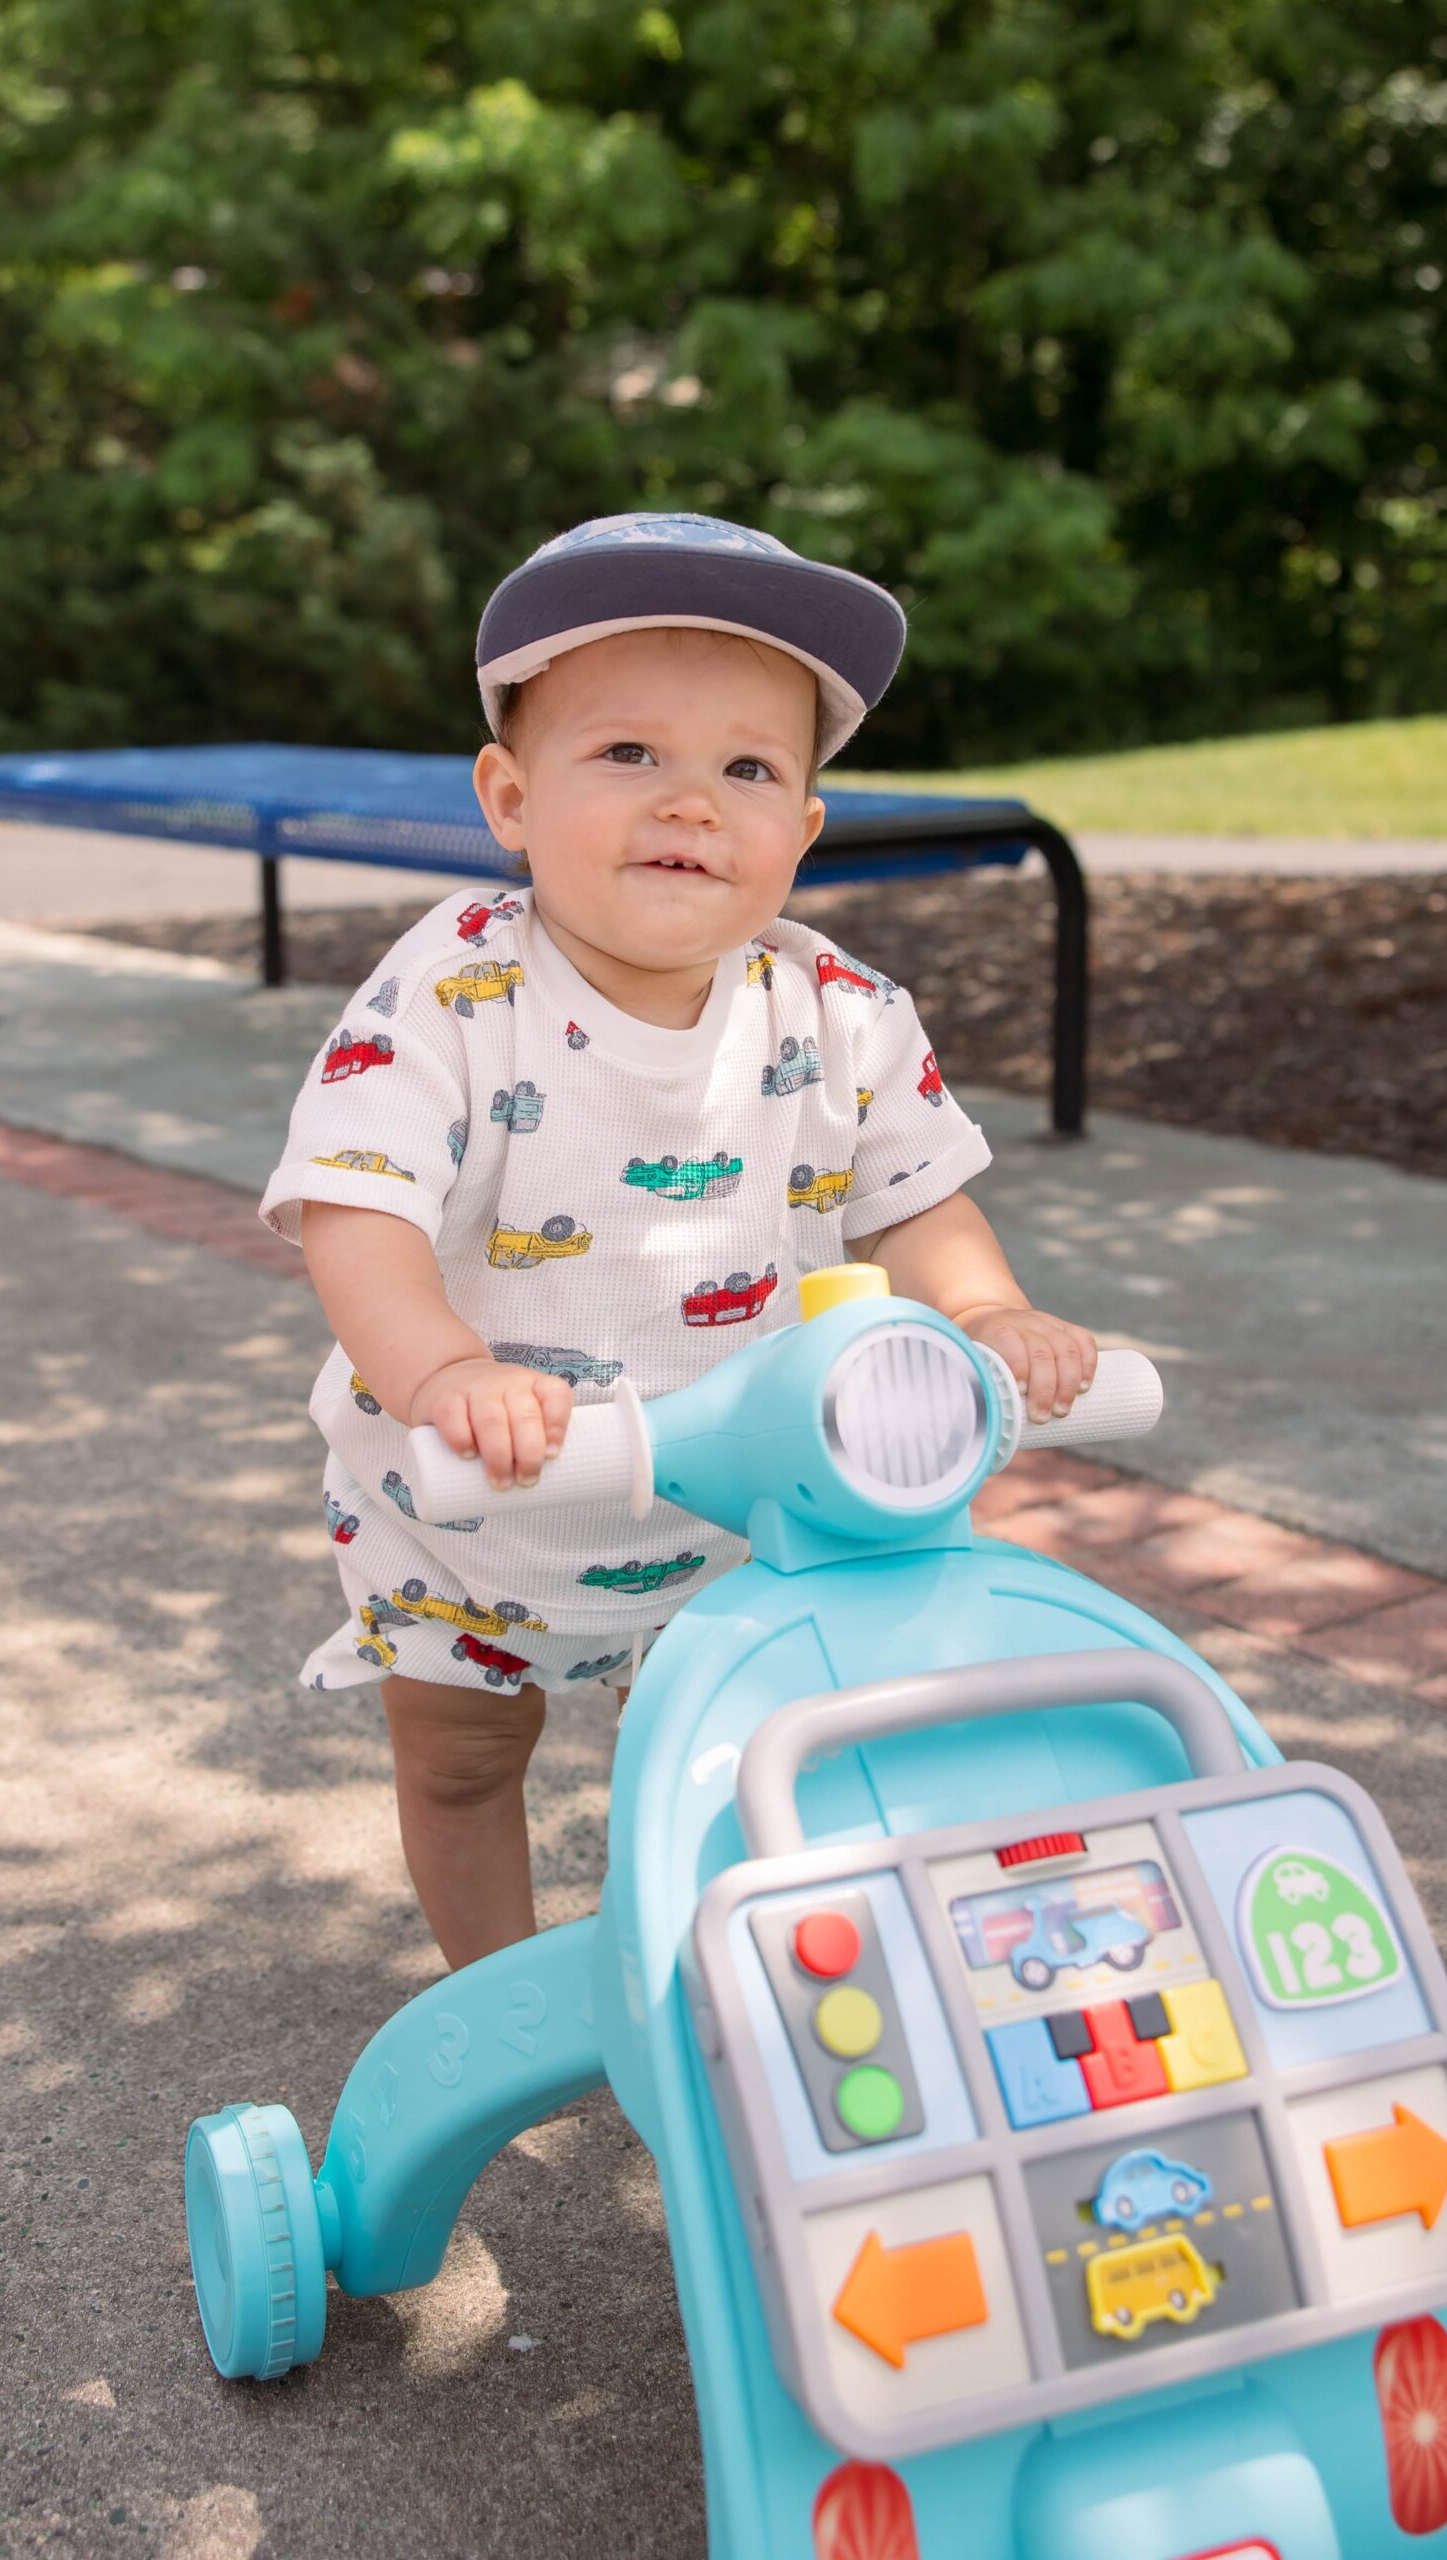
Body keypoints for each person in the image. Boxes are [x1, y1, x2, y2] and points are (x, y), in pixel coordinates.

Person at [261, 512, 1097, 1968]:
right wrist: (443, 1371)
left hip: (737, 1503)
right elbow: (356, 1203)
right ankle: (502, 2002)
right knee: (462, 1760)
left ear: (805, 831)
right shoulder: (456, 989)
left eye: (749, 770)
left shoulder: (838, 1008)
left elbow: (915, 1196)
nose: (692, 802)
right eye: (629, 752)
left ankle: (742, 1979)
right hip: (470, 1502)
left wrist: (985, 1311)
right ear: (511, 797)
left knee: (747, 1753)